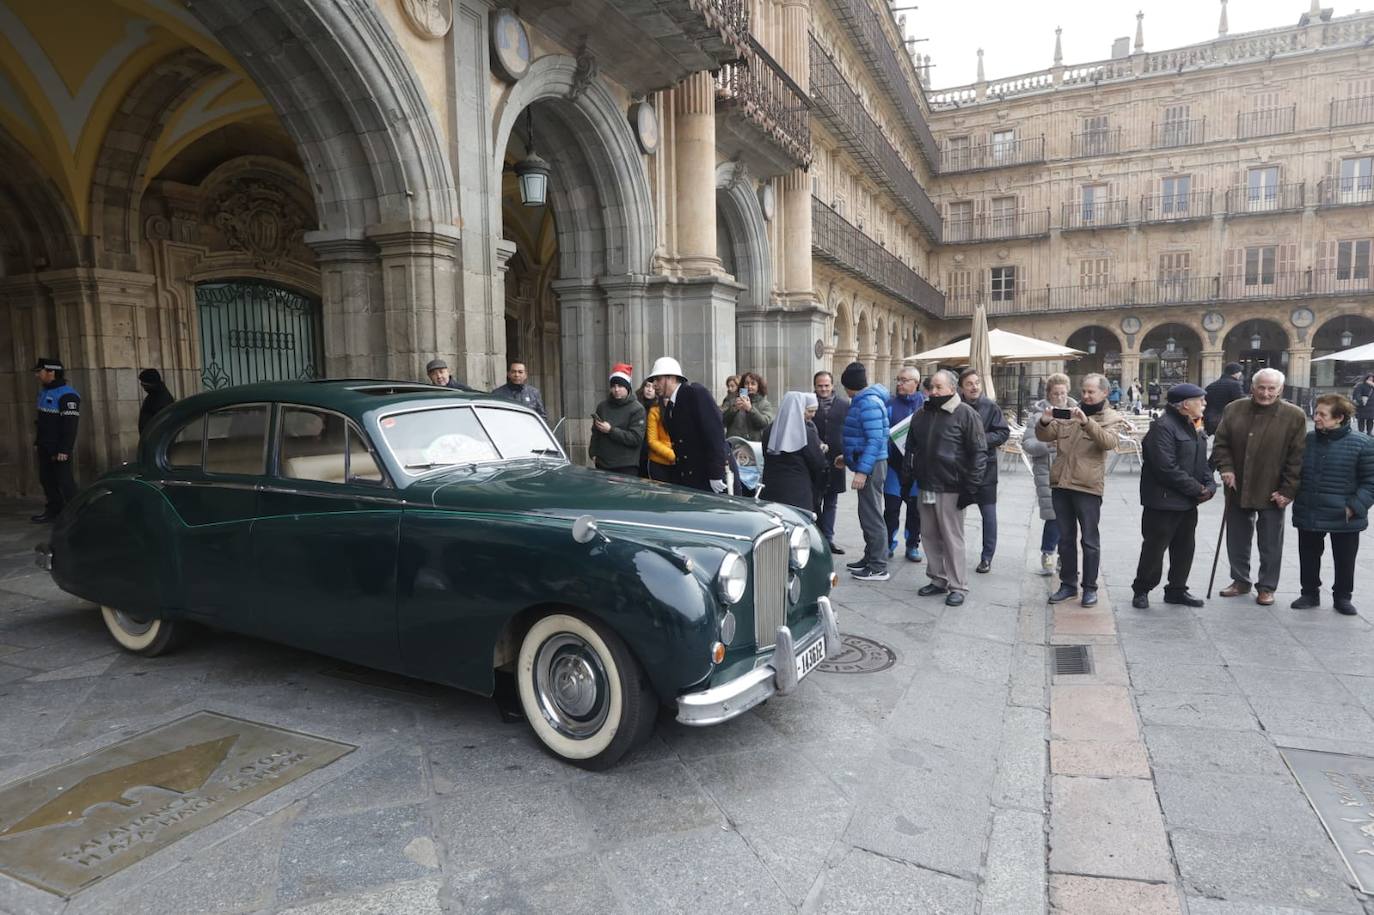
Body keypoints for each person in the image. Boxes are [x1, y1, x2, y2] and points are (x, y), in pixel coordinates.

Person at [1211, 368, 1308, 606]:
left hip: (1273, 488)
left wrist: (1288, 490)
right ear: (1252, 387)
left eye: (1271, 388)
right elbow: (1221, 443)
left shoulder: (1294, 415)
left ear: (1280, 390)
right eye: (1261, 387)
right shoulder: (1234, 409)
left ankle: (1267, 586)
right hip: (1237, 485)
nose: (1266, 393)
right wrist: (1226, 468)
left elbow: (1297, 457)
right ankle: (1240, 580)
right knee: (1237, 538)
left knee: (1270, 542)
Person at [1036, 372, 1130, 607]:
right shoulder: (1069, 411)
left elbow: (1109, 442)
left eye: (1091, 392)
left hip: (1088, 486)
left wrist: (1087, 422)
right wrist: (1045, 420)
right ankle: (1068, 585)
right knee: (1065, 539)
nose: (1086, 396)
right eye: (1084, 391)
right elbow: (1044, 435)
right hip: (1061, 483)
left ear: (1104, 393)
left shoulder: (1111, 416)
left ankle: (1090, 587)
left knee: (1089, 540)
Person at [901, 369, 987, 606]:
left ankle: (957, 585)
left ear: (952, 388)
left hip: (952, 486)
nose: (933, 391)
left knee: (952, 537)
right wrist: (907, 479)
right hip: (926, 484)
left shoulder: (966, 414)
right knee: (928, 535)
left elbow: (979, 453)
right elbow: (910, 448)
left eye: (939, 387)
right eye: (931, 387)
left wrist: (971, 488)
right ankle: (938, 578)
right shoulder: (921, 414)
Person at [1130, 384, 1216, 609]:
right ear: (1186, 404)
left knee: (1185, 548)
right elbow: (1165, 468)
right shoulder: (1163, 427)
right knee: (1154, 548)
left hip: (1187, 503)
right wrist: (1197, 489)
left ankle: (1177, 589)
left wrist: (1209, 483)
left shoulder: (1194, 425)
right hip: (1163, 501)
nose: (1204, 404)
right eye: (1201, 400)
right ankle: (1142, 589)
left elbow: (1200, 461)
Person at [1290, 394, 1374, 616]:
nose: (1315, 417)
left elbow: (1371, 481)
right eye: (1315, 412)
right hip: (1310, 509)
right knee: (1308, 554)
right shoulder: (1307, 440)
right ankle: (1309, 592)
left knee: (1345, 559)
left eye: (1321, 414)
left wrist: (1355, 506)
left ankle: (1342, 597)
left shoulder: (1363, 443)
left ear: (1339, 418)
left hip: (1345, 514)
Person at [838, 362, 891, 581]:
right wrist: (847, 456)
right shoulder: (866, 400)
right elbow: (864, 436)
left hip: (871, 465)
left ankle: (878, 566)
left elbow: (876, 440)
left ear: (849, 385)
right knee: (867, 512)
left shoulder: (867, 402)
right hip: (869, 463)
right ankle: (870, 558)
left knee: (871, 515)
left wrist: (862, 471)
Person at [647, 356, 729, 493]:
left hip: (711, 475)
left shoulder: (695, 393)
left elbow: (715, 433)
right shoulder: (670, 407)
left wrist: (716, 473)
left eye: (658, 379)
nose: (654, 384)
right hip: (692, 477)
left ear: (672, 378)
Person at [1023, 373, 1075, 576]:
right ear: (1049, 395)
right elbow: (1028, 444)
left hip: (1071, 471)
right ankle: (1047, 553)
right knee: (1054, 515)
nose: (1060, 397)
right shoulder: (1039, 416)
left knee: (1070, 516)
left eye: (1063, 393)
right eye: (1056, 393)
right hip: (1047, 471)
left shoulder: (1075, 413)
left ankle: (1065, 557)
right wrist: (1046, 445)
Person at [959, 368, 1010, 573]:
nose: (974, 386)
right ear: (961, 387)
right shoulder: (955, 406)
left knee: (988, 515)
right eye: (969, 383)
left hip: (985, 468)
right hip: (959, 469)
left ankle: (987, 557)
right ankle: (955, 554)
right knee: (954, 515)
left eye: (977, 383)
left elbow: (1002, 433)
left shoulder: (991, 407)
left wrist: (979, 441)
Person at [760, 391, 827, 513]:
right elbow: (817, 463)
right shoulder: (806, 433)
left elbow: (766, 454)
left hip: (771, 487)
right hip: (798, 491)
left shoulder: (768, 431)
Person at [884, 367, 925, 564]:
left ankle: (912, 545)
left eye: (904, 380)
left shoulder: (926, 405)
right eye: (898, 379)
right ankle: (888, 543)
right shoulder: (889, 404)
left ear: (915, 383)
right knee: (891, 508)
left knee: (915, 511)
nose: (899, 383)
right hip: (894, 466)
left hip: (917, 468)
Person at [31, 357, 80, 523]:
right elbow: (43, 423)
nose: (37, 375)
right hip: (45, 445)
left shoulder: (68, 395)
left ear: (51, 372)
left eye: (40, 372)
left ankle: (77, 513)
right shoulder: (44, 392)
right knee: (46, 480)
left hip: (59, 449)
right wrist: (39, 443)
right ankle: (54, 510)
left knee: (65, 482)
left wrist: (64, 449)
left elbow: (70, 426)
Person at [813, 371, 850, 554]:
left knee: (831, 501)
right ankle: (815, 538)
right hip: (814, 460)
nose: (824, 389)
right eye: (820, 385)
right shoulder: (808, 403)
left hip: (836, 460)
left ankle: (828, 539)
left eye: (827, 385)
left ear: (832, 385)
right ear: (815, 386)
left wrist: (847, 453)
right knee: (814, 500)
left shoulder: (844, 404)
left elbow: (849, 430)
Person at [588, 364, 645, 475]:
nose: (616, 389)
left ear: (627, 387)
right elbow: (595, 433)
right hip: (603, 464)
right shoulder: (602, 407)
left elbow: (636, 438)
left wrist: (610, 430)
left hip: (626, 466)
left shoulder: (637, 409)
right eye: (613, 386)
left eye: (620, 386)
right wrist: (593, 453)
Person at [722, 371, 775, 441]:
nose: (749, 386)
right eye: (746, 383)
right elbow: (722, 421)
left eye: (753, 384)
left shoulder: (765, 404)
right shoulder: (733, 401)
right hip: (734, 443)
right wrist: (734, 409)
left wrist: (750, 409)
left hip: (754, 445)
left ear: (758, 386)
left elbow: (765, 424)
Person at [639, 380, 674, 482]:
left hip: (676, 461)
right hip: (657, 460)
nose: (650, 390)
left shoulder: (681, 409)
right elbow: (652, 440)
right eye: (647, 386)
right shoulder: (655, 411)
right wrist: (672, 455)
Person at [1203, 362, 1245, 436]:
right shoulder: (1235, 384)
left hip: (1209, 419)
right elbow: (1241, 403)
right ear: (1235, 372)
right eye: (1239, 372)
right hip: (1226, 420)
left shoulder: (1211, 385)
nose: (1240, 374)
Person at [137, 368, 175, 435]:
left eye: (143, 384)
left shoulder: (161, 397)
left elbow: (162, 424)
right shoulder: (154, 394)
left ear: (150, 384)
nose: (143, 387)